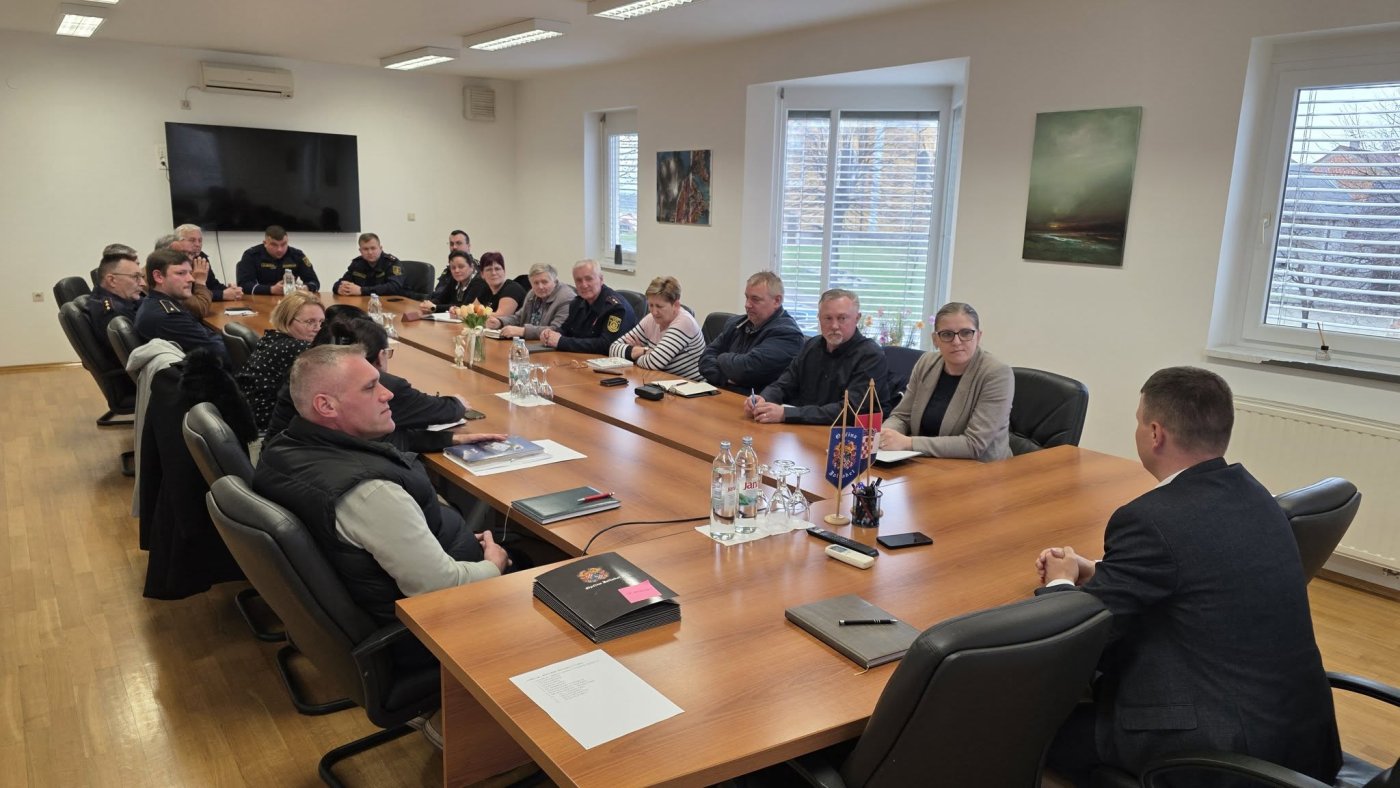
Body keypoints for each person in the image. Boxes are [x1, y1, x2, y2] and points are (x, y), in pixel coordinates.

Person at [1035, 367, 1340, 787]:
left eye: (1139, 420)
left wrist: (1060, 583)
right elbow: (1195, 572)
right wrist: (1102, 572)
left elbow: (1075, 640)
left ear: (1155, 433)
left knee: (1023, 726)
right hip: (1300, 736)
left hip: (1217, 753)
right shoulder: (1256, 495)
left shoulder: (1150, 519)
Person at [251, 343, 509, 640]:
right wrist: (494, 565)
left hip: (384, 581)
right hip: (432, 628)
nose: (388, 394)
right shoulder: (370, 492)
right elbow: (440, 588)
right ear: (327, 406)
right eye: (370, 387)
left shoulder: (285, 449)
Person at [264, 313, 476, 453]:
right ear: (381, 355)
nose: (386, 394)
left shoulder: (308, 370)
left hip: (280, 456)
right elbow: (439, 410)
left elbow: (385, 436)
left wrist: (444, 440)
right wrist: (458, 404)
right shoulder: (380, 387)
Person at [878, 302, 1013, 461]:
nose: (956, 341)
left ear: (978, 336)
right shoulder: (926, 363)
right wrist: (884, 436)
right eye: (947, 334)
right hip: (926, 463)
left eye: (966, 333)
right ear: (935, 339)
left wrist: (908, 443)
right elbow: (901, 416)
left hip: (981, 468)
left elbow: (974, 444)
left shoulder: (997, 374)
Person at [746, 288, 888, 425]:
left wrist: (786, 414)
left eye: (842, 318)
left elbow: (850, 410)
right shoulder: (812, 346)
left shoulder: (870, 355)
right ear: (819, 318)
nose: (834, 326)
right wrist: (763, 399)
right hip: (804, 428)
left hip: (845, 434)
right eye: (828, 318)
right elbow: (785, 384)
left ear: (857, 318)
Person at [697, 271, 803, 392]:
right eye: (747, 297)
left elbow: (747, 369)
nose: (747, 305)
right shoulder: (735, 324)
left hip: (754, 400)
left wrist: (721, 357)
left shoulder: (788, 334)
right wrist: (726, 378)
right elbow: (704, 360)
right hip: (721, 392)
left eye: (755, 299)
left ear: (777, 301)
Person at [235, 291, 324, 431]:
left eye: (322, 322)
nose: (318, 329)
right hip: (267, 430)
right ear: (287, 321)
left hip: (247, 420)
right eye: (309, 322)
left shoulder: (272, 338)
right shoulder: (297, 348)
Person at [133, 248, 231, 364]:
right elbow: (220, 352)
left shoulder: (155, 303)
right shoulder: (168, 317)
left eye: (190, 273)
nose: (191, 279)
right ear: (158, 277)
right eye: (181, 273)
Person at [609, 276, 704, 380]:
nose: (654, 312)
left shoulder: (684, 322)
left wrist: (634, 356)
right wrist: (644, 350)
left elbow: (653, 363)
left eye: (659, 306)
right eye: (651, 305)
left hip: (691, 385)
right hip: (661, 381)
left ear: (676, 305)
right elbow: (613, 349)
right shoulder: (651, 319)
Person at [538, 259, 636, 354]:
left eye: (589, 279)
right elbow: (565, 329)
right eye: (579, 280)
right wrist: (550, 334)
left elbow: (607, 345)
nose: (584, 285)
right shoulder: (577, 303)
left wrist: (561, 342)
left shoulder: (615, 308)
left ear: (601, 279)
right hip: (580, 359)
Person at [487, 263, 575, 339]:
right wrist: (500, 322)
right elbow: (519, 317)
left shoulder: (566, 298)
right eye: (536, 283)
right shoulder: (532, 293)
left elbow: (556, 330)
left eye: (544, 282)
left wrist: (523, 331)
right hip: (531, 344)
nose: (540, 287)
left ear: (555, 281)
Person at [236, 225, 319, 295]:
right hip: (260, 299)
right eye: (274, 245)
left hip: (289, 301)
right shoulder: (251, 255)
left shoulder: (297, 255)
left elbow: (314, 282)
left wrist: (305, 288)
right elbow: (244, 285)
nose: (280, 249)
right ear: (265, 243)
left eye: (283, 244)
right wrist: (271, 290)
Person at [87, 244, 144, 336]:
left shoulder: (122, 296)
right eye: (135, 277)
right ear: (112, 280)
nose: (143, 283)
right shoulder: (116, 313)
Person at [175, 224, 243, 301]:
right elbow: (189, 294)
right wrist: (222, 295)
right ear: (178, 242)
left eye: (200, 241)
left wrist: (231, 290)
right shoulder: (173, 260)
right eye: (192, 240)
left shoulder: (201, 257)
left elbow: (212, 284)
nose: (197, 244)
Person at [332, 233, 406, 296]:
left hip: (390, 303)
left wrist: (361, 290)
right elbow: (341, 283)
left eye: (373, 248)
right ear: (360, 251)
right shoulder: (357, 264)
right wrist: (339, 289)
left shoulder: (391, 263)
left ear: (380, 248)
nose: (370, 252)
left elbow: (394, 287)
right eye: (365, 249)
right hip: (365, 302)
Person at [463, 251, 524, 317]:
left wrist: (473, 313)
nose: (494, 273)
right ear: (482, 274)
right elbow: (471, 310)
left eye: (497, 269)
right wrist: (458, 311)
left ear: (504, 271)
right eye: (489, 269)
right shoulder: (486, 289)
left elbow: (501, 316)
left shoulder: (512, 289)